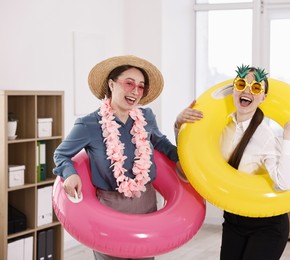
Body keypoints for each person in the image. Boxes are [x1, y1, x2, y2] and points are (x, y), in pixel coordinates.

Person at [53, 55, 193, 260]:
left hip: (146, 203)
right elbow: (61, 154)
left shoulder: (146, 117)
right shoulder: (89, 124)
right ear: (111, 84)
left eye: (141, 86)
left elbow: (161, 143)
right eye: (129, 83)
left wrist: (181, 160)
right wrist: (70, 174)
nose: (135, 91)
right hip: (110, 208)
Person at [175, 65, 290, 260]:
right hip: (233, 219)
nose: (247, 91)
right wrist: (178, 126)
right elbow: (189, 165)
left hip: (267, 225)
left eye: (256, 88)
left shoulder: (265, 136)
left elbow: (285, 183)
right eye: (241, 84)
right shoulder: (219, 129)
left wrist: (288, 134)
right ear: (234, 89)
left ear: (263, 98)